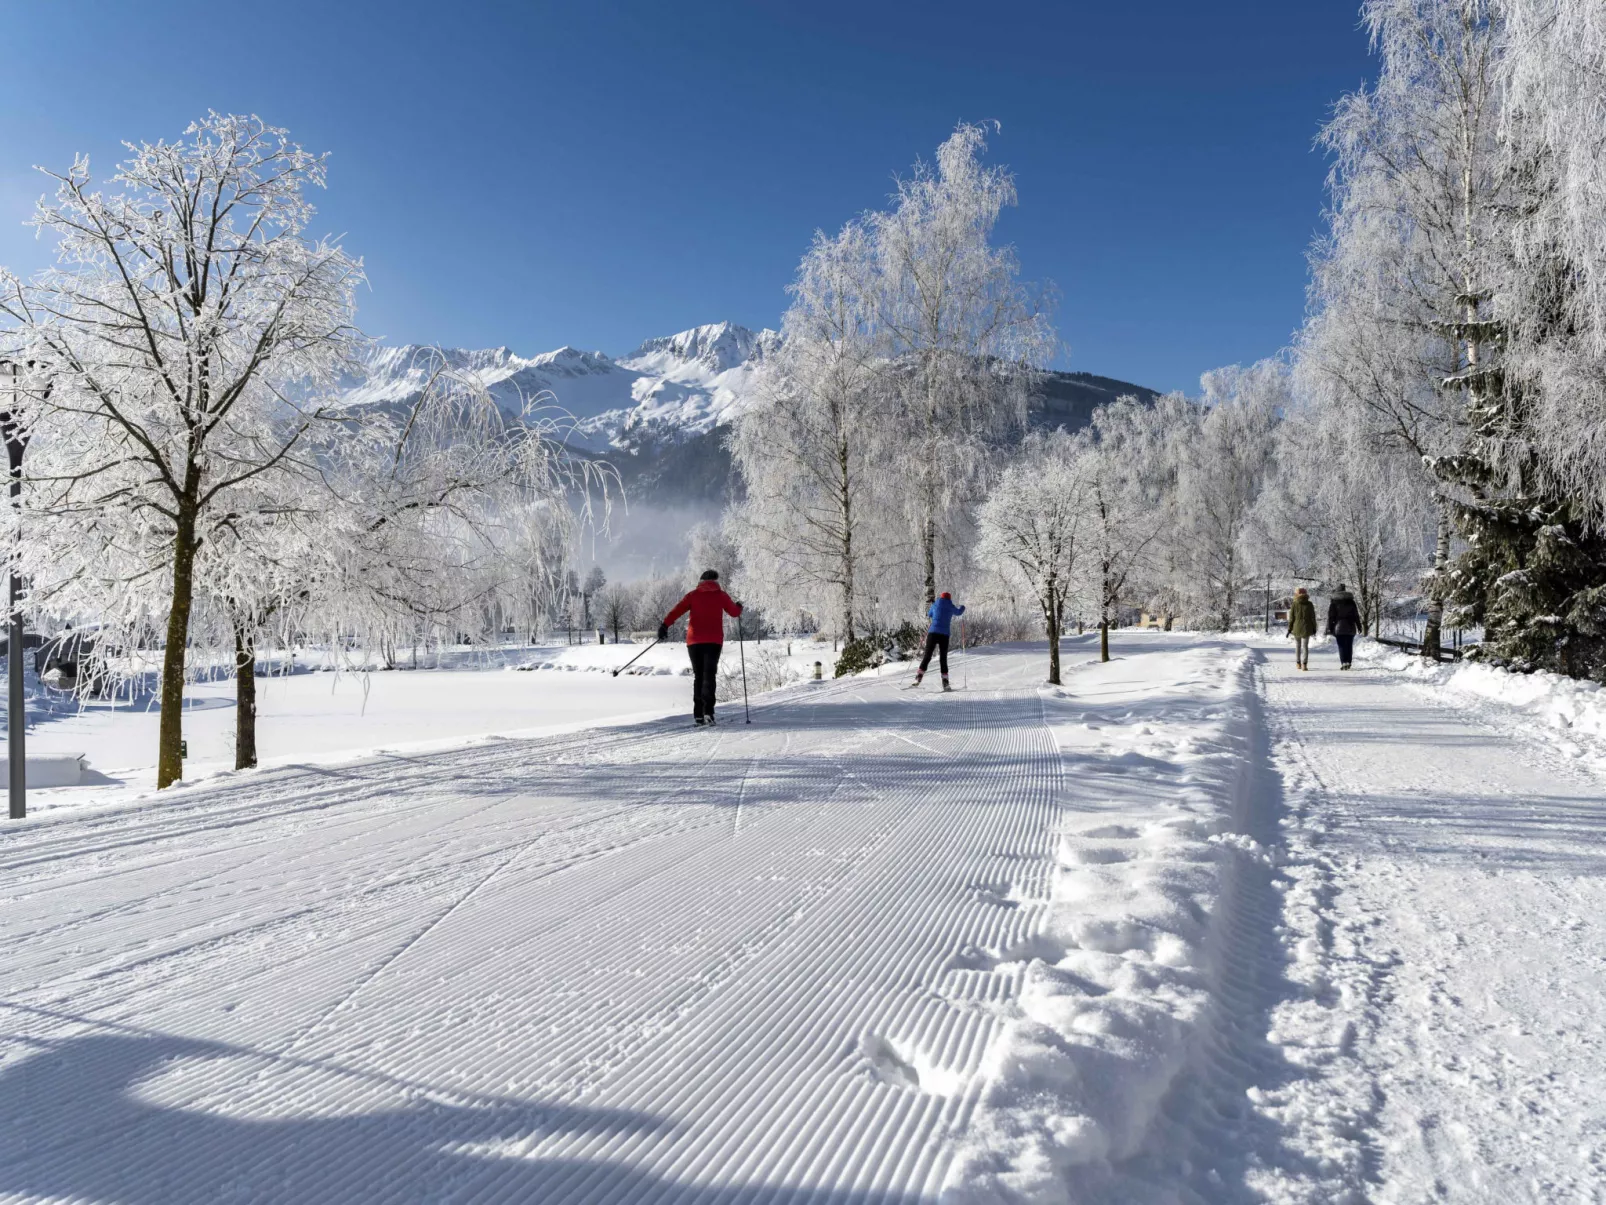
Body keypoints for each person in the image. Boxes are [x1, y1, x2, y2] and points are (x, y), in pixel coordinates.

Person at [660, 570, 743, 725]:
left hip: (694, 641)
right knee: (709, 676)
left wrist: (664, 625)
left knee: (699, 676)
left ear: (701, 581)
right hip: (713, 641)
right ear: (715, 581)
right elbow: (734, 613)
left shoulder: (693, 595)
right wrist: (739, 607)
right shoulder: (721, 596)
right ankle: (708, 713)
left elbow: (677, 610)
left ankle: (698, 715)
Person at [914, 592, 965, 691]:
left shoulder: (935, 604)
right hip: (944, 635)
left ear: (940, 598)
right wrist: (963, 607)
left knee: (927, 655)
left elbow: (929, 614)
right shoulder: (951, 606)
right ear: (949, 599)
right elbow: (959, 612)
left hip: (933, 633)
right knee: (943, 658)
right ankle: (945, 683)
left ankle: (918, 677)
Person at [1325, 583, 1362, 670]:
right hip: (1351, 626)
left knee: (1341, 645)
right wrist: (1359, 626)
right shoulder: (1351, 602)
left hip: (1339, 627)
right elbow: (1356, 615)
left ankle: (1344, 663)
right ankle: (1349, 662)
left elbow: (1331, 617)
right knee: (1349, 645)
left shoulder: (1334, 602)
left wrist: (1330, 627)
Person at [1286, 586, 1317, 671]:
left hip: (1296, 628)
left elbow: (1291, 618)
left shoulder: (1294, 604)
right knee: (1305, 646)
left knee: (1297, 646)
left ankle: (1298, 663)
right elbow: (1313, 617)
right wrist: (1314, 628)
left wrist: (1289, 629)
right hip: (1307, 628)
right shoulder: (1310, 604)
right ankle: (1304, 665)